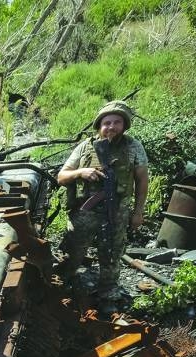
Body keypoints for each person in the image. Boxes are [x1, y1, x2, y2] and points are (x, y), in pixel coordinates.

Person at [56, 100, 149, 312]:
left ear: (124, 126)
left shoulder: (133, 147)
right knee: (73, 249)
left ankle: (108, 294)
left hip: (117, 210)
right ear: (99, 125)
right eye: (107, 122)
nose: (111, 127)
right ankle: (63, 285)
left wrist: (138, 212)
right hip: (85, 211)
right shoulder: (85, 147)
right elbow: (61, 177)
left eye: (117, 122)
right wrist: (81, 172)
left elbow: (142, 181)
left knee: (112, 252)